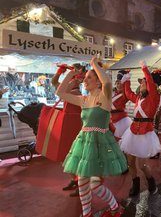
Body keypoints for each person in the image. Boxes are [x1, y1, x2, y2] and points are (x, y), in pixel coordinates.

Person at [57, 57, 127, 217]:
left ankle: (115, 207)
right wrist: (71, 74)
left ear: (97, 81)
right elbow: (60, 92)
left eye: (89, 77)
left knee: (95, 185)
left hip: (100, 145)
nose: (85, 80)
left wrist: (94, 65)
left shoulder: (104, 97)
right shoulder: (83, 100)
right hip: (84, 143)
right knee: (81, 182)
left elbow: (108, 83)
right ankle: (87, 214)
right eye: (85, 77)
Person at [120, 61, 161, 196]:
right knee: (130, 162)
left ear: (151, 86)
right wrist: (126, 77)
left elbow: (149, 80)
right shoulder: (138, 98)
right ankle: (135, 185)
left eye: (143, 83)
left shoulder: (154, 97)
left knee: (142, 165)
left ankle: (151, 181)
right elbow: (127, 92)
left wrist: (144, 68)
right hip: (133, 131)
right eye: (141, 83)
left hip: (145, 133)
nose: (141, 84)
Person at [51, 63, 84, 197]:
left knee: (76, 156)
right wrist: (60, 71)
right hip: (66, 122)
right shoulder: (70, 82)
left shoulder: (76, 83)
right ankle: (74, 179)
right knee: (63, 155)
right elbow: (54, 82)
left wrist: (72, 75)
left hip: (76, 123)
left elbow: (59, 89)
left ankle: (80, 183)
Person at [111, 70, 132, 140]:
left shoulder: (125, 95)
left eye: (120, 83)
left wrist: (127, 81)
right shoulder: (112, 93)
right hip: (111, 120)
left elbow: (129, 93)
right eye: (117, 83)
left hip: (121, 120)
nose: (118, 85)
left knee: (120, 140)